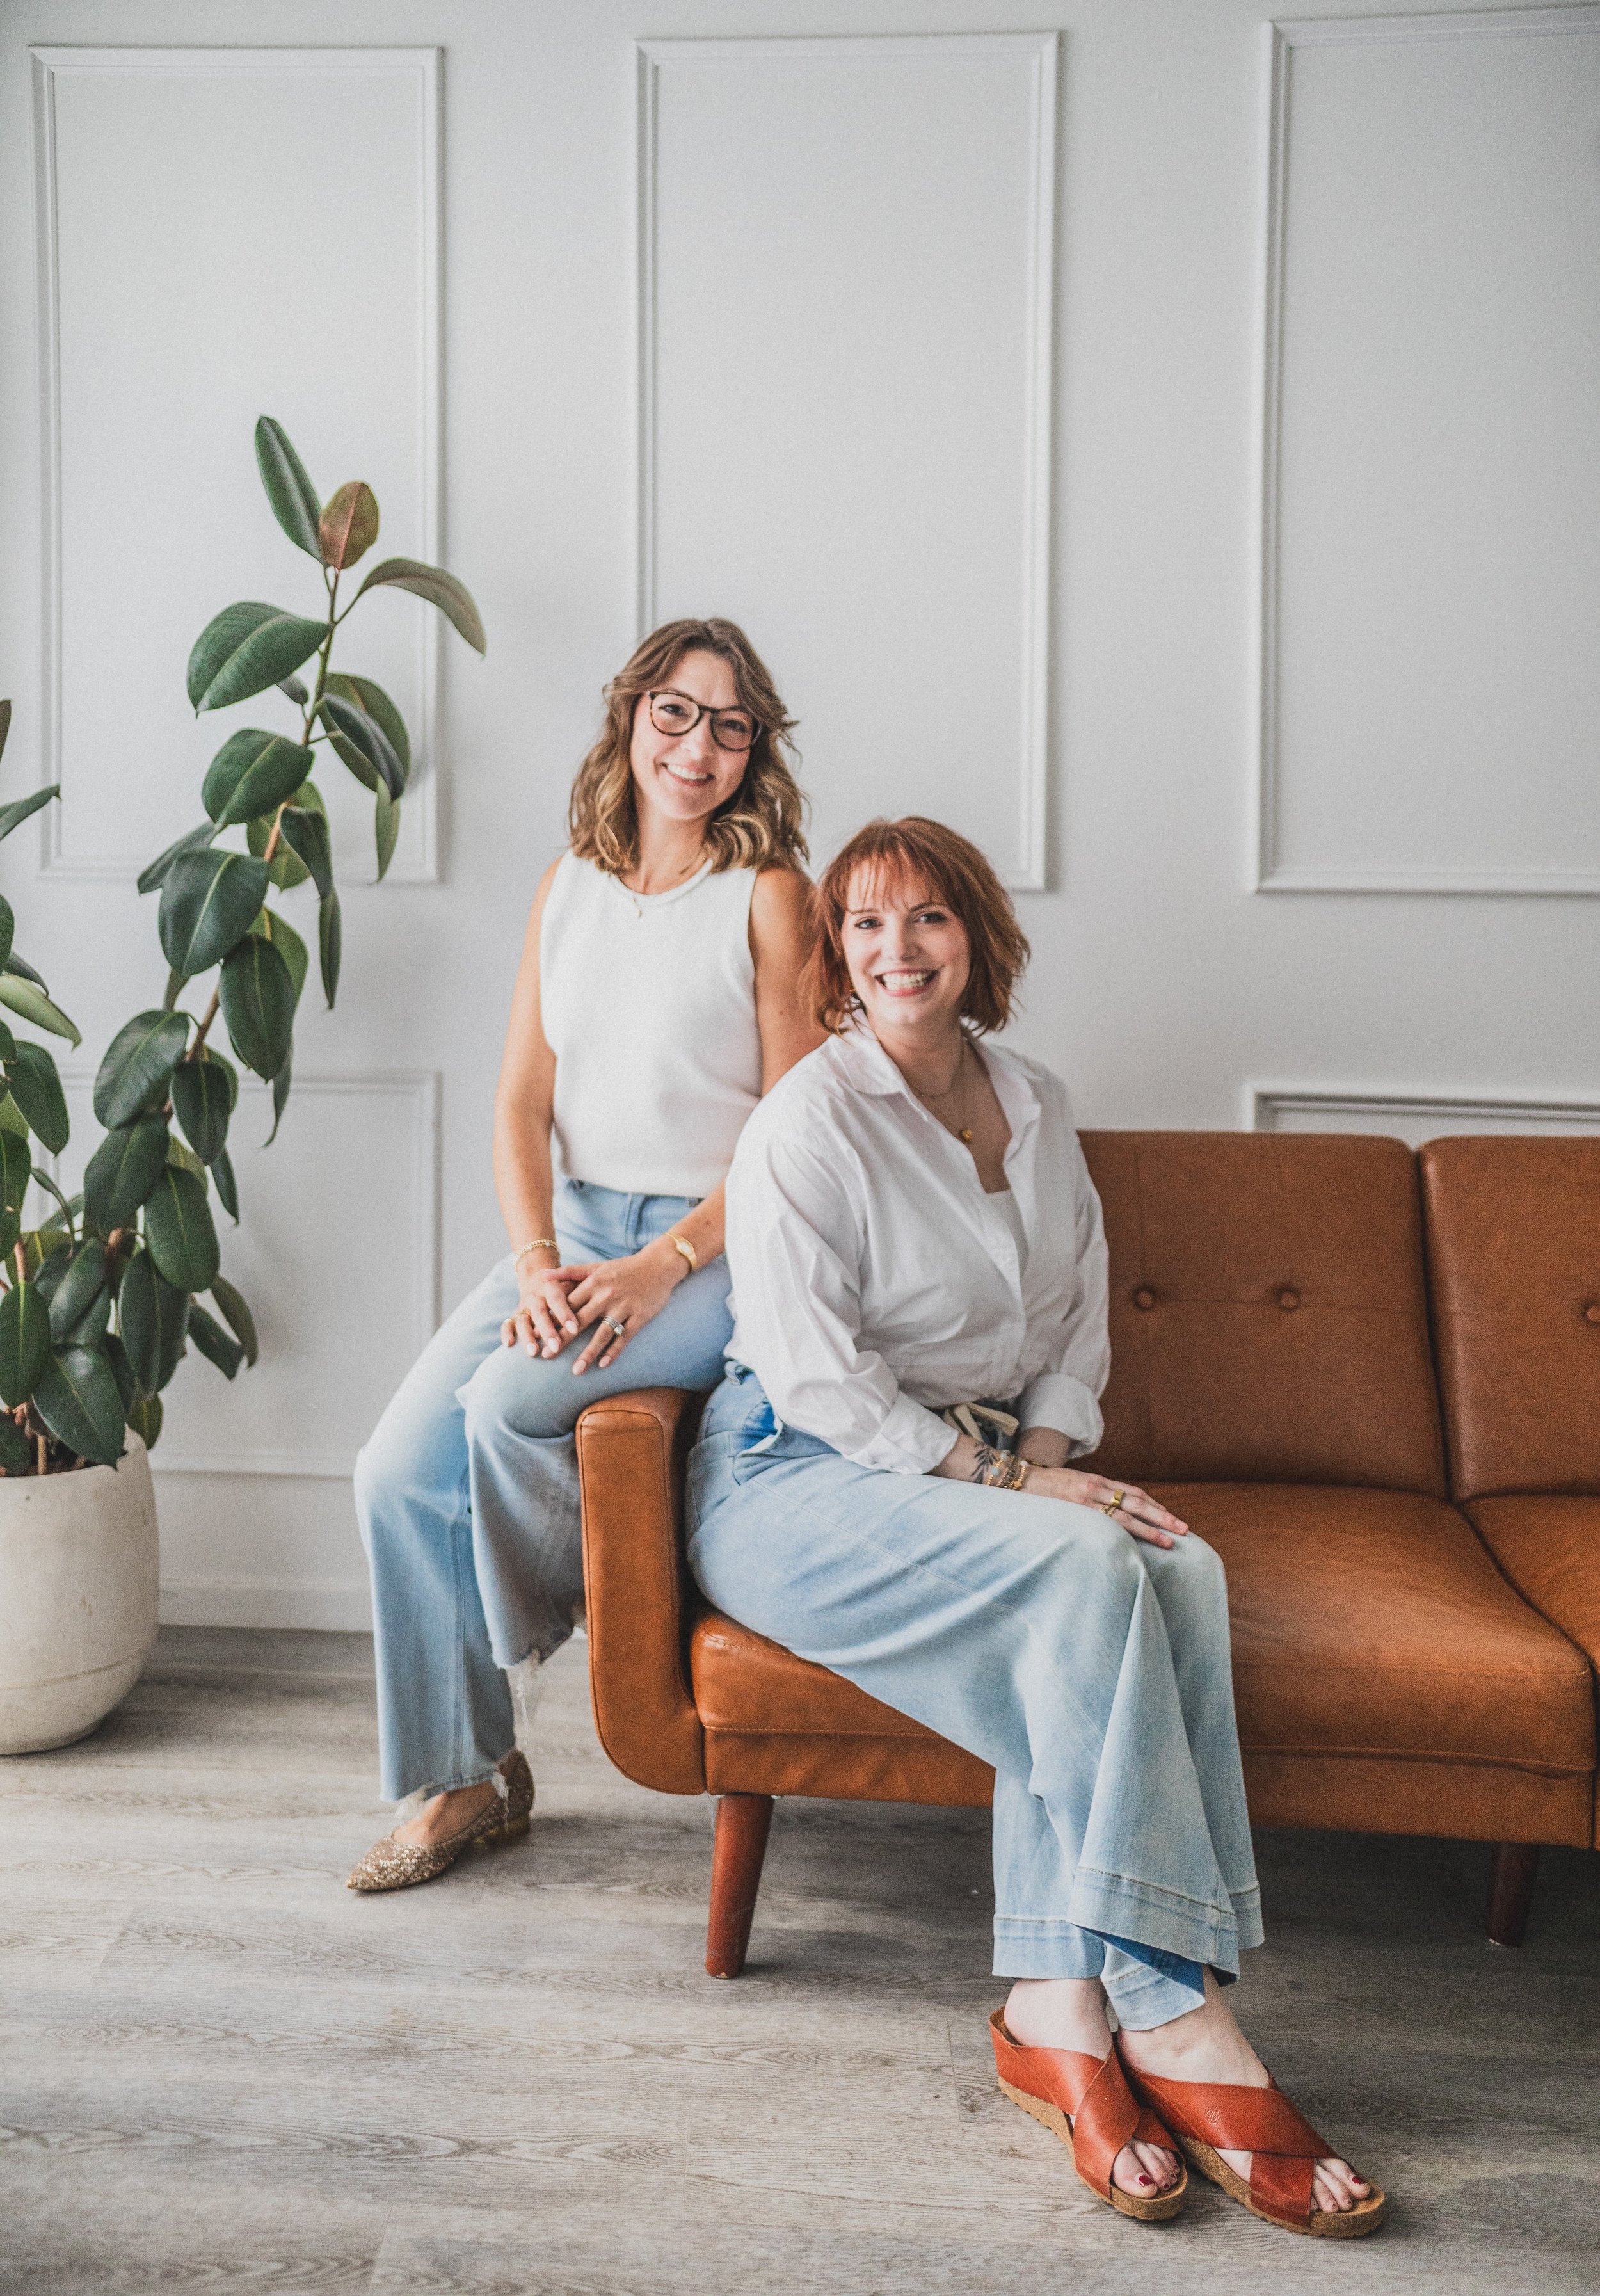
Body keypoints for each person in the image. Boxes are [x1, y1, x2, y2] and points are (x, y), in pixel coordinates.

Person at [685, 815, 1384, 2240]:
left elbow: (1073, 1309)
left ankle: (1053, 2008)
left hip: (980, 1458)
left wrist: (1048, 1453)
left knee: (1174, 1564)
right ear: (834, 953)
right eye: (866, 926)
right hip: (794, 1474)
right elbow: (821, 1382)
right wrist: (1015, 1489)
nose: (897, 951)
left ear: (975, 938)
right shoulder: (804, 1123)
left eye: (927, 918)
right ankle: (1171, 2014)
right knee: (1079, 1564)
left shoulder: (1034, 1098)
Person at [347, 618, 820, 1893]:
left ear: (751, 751)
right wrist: (539, 1259)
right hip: (572, 1238)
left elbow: (793, 1136)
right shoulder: (568, 884)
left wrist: (662, 1265)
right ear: (629, 717)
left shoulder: (770, 897)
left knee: (507, 1401)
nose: (698, 746)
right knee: (392, 1470)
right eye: (675, 711)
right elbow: (516, 1103)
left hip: (713, 1251)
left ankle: (563, 1618)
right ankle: (466, 1779)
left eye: (730, 725)